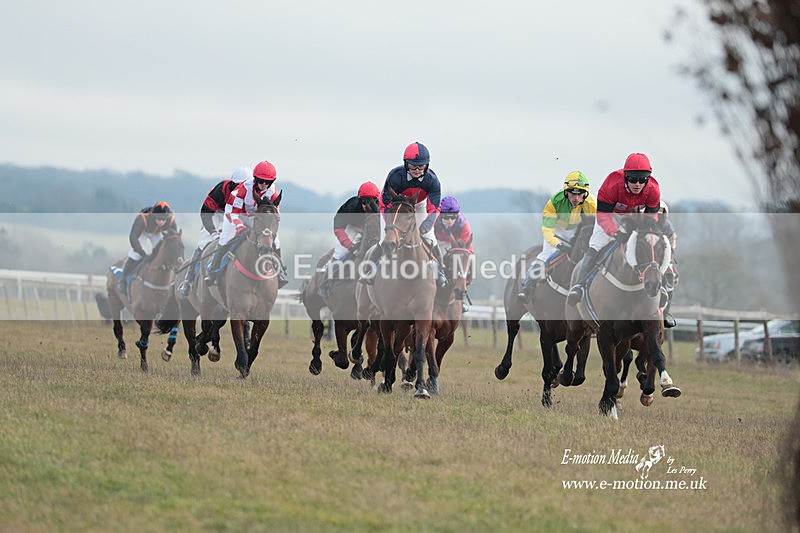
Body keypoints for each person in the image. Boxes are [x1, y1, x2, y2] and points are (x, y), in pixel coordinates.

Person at [566, 152, 661, 307]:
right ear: (625, 177)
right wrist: (615, 233)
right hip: (610, 216)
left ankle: (663, 288)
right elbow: (603, 216)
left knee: (652, 244)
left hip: (636, 218)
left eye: (642, 179)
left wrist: (642, 233)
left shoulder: (653, 190)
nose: (637, 184)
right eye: (633, 179)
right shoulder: (611, 184)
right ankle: (579, 286)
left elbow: (651, 219)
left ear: (648, 179)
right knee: (596, 244)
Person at [360, 141, 447, 287]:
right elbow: (385, 204)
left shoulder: (432, 180)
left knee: (430, 238)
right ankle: (370, 269)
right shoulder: (395, 176)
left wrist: (425, 226)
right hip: (394, 207)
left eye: (422, 166)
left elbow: (434, 208)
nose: (418, 170)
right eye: (413, 166)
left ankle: (441, 272)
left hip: (418, 205)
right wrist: (391, 224)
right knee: (384, 239)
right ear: (406, 164)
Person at [203, 160, 288, 288]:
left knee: (276, 242)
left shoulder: (273, 192)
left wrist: (270, 230)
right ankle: (213, 270)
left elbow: (275, 215)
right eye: (261, 181)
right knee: (226, 238)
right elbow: (231, 212)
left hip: (255, 217)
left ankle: (278, 272)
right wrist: (240, 227)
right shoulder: (242, 190)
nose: (264, 184)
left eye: (268, 182)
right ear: (255, 179)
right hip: (234, 214)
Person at [517, 171, 597, 300]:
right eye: (572, 193)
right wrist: (557, 244)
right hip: (557, 230)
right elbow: (547, 230)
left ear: (585, 194)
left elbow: (594, 226)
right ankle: (526, 287)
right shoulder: (555, 201)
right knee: (546, 254)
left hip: (576, 231)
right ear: (566, 192)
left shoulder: (591, 204)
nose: (576, 198)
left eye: (580, 194)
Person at [177, 166, 250, 296]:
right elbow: (206, 212)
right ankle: (188, 279)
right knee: (204, 242)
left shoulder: (251, 193)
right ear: (233, 184)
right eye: (238, 186)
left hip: (236, 214)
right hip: (217, 213)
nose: (241, 190)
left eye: (244, 186)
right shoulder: (220, 190)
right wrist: (213, 232)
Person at [317, 180, 381, 301]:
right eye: (364, 202)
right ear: (359, 199)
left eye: (372, 202)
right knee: (340, 253)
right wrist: (351, 246)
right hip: (352, 226)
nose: (367, 205)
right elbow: (338, 229)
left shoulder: (382, 205)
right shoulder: (351, 206)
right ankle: (325, 283)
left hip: (372, 226)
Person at [117, 201, 179, 294]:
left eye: (163, 220)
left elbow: (173, 240)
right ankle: (123, 279)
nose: (161, 222)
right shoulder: (142, 218)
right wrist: (142, 253)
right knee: (135, 255)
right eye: (158, 219)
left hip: (157, 233)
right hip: (143, 232)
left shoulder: (171, 220)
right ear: (153, 216)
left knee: (161, 252)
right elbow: (133, 237)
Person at [434, 196, 474, 311]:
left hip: (456, 244)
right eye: (446, 218)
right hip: (436, 241)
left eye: (453, 218)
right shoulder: (433, 218)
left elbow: (467, 249)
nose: (450, 221)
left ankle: (461, 297)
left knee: (465, 263)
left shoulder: (463, 224)